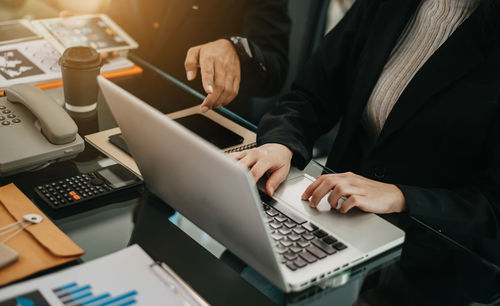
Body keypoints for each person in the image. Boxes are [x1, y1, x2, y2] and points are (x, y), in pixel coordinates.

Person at [232, 0, 500, 265]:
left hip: (434, 264)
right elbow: (312, 93)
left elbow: (491, 206)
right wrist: (281, 142)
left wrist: (402, 197)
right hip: (331, 222)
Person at [107, 0, 290, 114]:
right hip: (124, 100)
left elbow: (275, 71)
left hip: (202, 118)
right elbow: (123, 14)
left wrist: (236, 47)